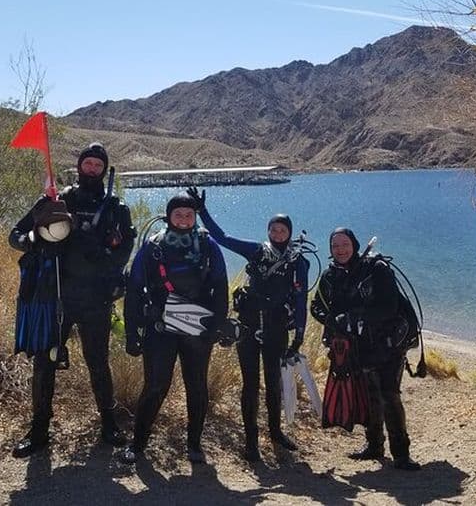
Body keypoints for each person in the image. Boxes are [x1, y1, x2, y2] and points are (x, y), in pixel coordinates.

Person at [9, 142, 136, 458]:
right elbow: (15, 235)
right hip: (57, 296)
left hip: (96, 299)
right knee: (45, 363)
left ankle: (108, 425)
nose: (92, 169)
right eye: (88, 163)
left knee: (98, 364)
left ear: (104, 170)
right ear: (79, 166)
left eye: (98, 165)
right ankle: (39, 431)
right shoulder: (56, 200)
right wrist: (38, 244)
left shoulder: (116, 207)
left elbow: (125, 250)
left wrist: (104, 257)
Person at [187, 187, 308, 462]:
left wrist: (299, 336)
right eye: (273, 229)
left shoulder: (298, 261)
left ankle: (276, 433)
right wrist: (202, 211)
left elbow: (301, 300)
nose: (278, 234)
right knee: (250, 385)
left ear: (289, 232)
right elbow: (222, 238)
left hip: (277, 329)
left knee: (273, 383)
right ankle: (251, 442)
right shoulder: (255, 251)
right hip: (249, 328)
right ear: (268, 231)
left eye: (282, 230)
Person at [120, 191, 229, 464]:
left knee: (197, 387)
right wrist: (132, 332)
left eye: (188, 215)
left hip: (197, 327)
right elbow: (134, 290)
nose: (183, 219)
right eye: (178, 214)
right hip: (160, 328)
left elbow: (221, 287)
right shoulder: (153, 246)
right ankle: (137, 444)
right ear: (168, 216)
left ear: (194, 217)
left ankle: (194, 445)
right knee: (156, 385)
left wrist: (217, 324)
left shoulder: (207, 245)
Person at [310, 228, 420, 471]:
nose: (340, 249)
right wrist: (333, 321)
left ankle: (401, 454)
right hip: (358, 347)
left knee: (389, 395)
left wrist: (356, 316)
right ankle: (374, 445)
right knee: (368, 394)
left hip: (388, 342)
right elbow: (316, 306)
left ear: (355, 244)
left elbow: (390, 307)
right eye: (335, 246)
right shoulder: (330, 276)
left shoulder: (376, 269)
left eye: (345, 244)